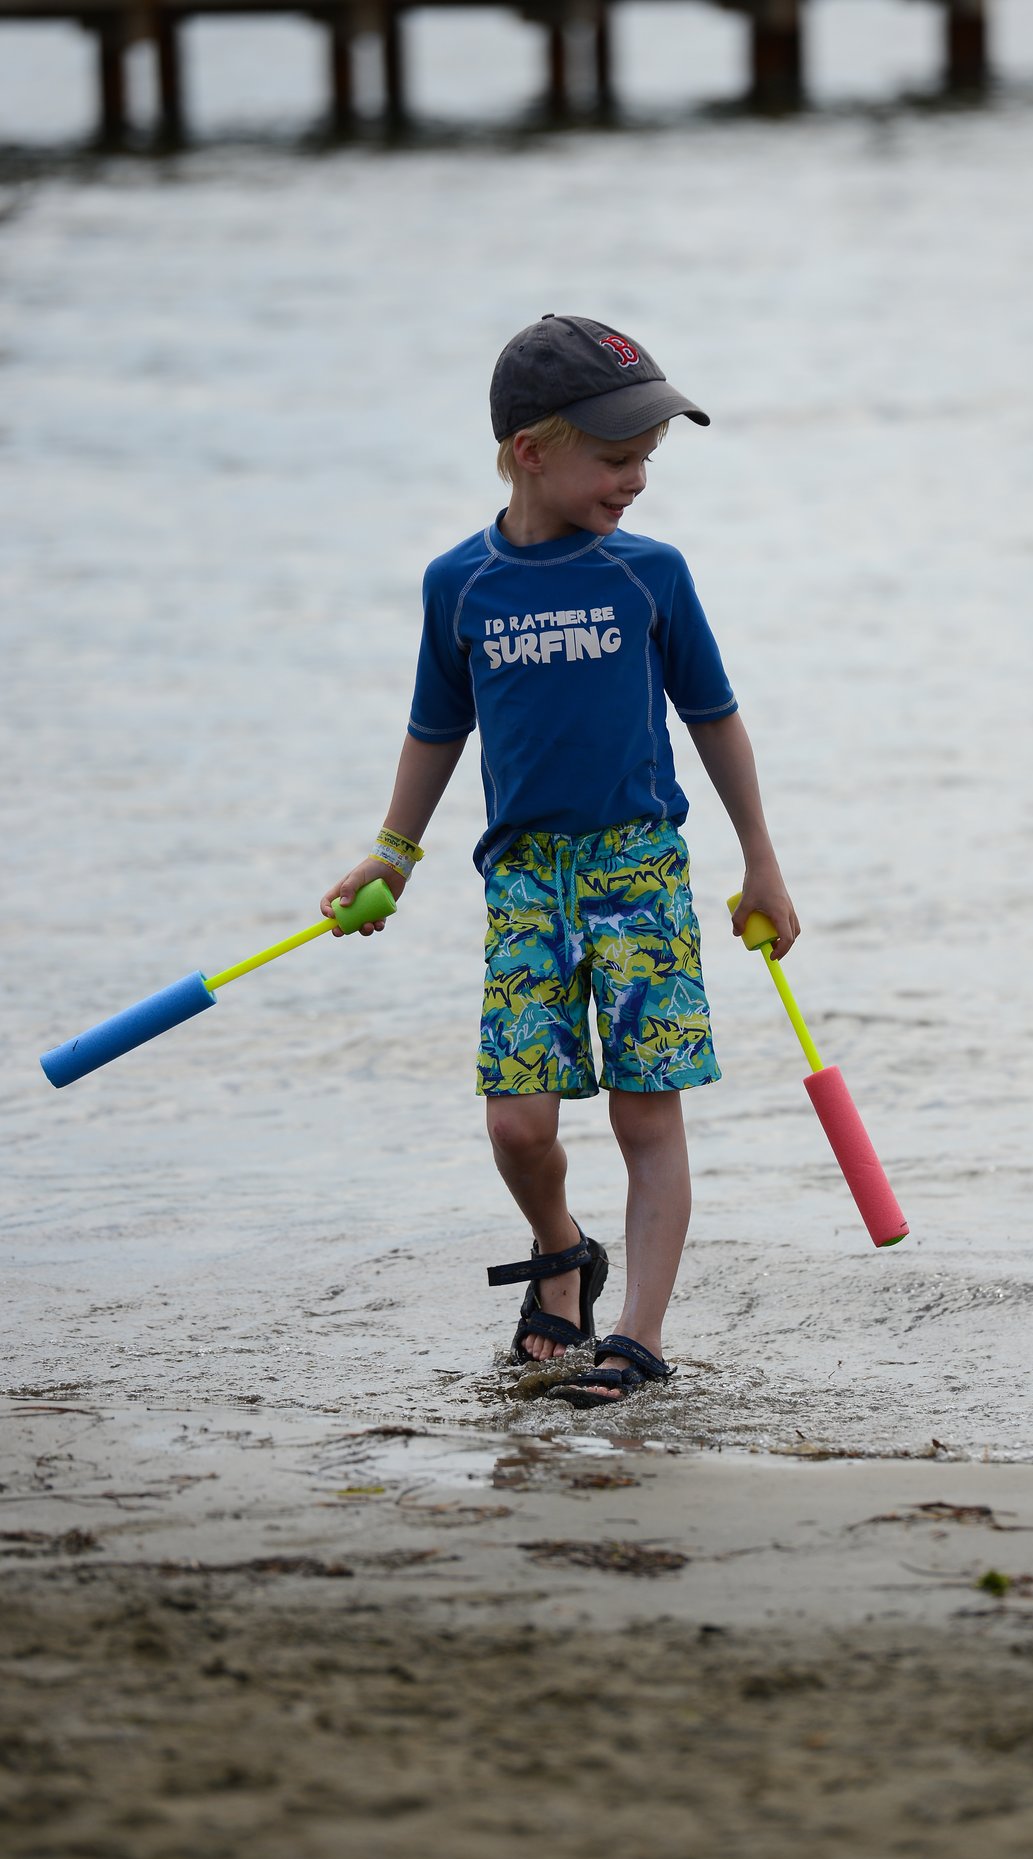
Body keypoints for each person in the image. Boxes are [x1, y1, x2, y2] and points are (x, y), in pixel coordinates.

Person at [323, 314, 798, 1406]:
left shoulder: (651, 576)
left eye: (645, 460)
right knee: (516, 1120)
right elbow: (435, 729)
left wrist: (759, 862)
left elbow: (715, 719)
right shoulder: (462, 584)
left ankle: (636, 1337)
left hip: (639, 871)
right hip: (523, 881)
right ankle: (562, 1249)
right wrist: (391, 855)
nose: (636, 481)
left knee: (644, 1109)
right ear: (531, 451)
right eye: (617, 458)